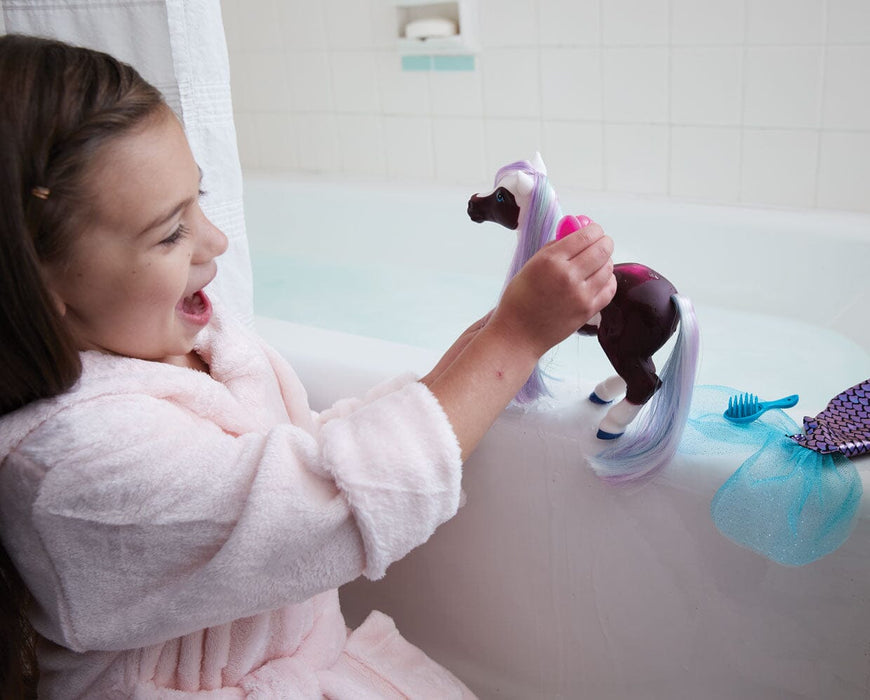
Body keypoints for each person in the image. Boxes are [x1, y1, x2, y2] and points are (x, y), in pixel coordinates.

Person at [0, 34, 616, 699]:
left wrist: (505, 328)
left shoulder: (189, 345)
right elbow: (327, 505)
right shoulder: (67, 468)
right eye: (171, 231)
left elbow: (304, 455)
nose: (216, 241)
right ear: (40, 285)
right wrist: (514, 339)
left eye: (199, 201)